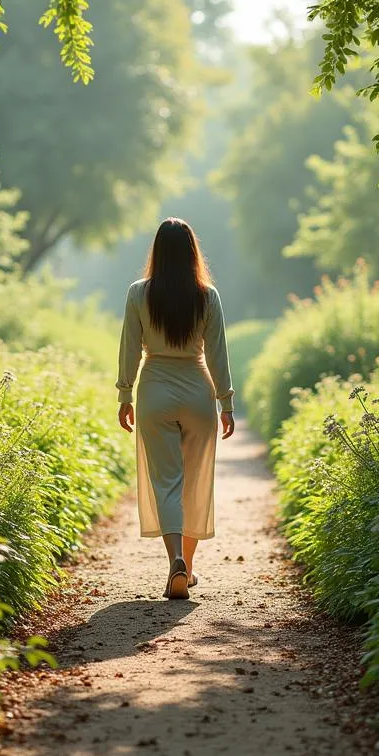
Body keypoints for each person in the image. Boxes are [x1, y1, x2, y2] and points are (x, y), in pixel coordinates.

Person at [116, 218, 235, 600]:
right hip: (198, 393)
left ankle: (175, 564)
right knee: (196, 482)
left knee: (167, 482)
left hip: (154, 390)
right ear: (191, 253)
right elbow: (217, 353)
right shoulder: (207, 296)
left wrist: (124, 395)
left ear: (157, 252)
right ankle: (189, 563)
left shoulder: (138, 293)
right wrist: (226, 402)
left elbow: (129, 349)